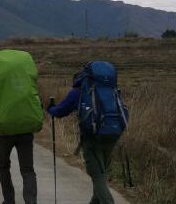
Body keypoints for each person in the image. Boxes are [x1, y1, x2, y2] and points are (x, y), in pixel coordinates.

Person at [47, 61, 128, 204]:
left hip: (92, 138)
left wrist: (50, 109)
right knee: (101, 174)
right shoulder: (112, 90)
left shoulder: (79, 91)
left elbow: (60, 112)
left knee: (97, 176)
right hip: (113, 134)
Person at [0, 49, 44, 204]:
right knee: (27, 169)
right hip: (26, 129)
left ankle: (9, 200)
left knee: (3, 165)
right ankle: (31, 201)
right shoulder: (27, 78)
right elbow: (35, 99)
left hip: (4, 130)